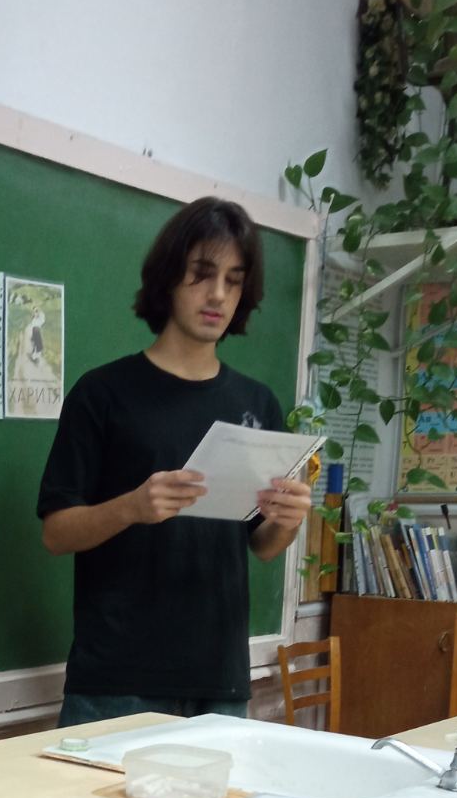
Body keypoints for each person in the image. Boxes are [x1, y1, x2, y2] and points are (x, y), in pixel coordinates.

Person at [37, 196, 311, 726]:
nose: (217, 294)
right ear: (168, 278)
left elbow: (261, 546)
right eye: (202, 274)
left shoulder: (257, 404)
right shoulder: (104, 394)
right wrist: (132, 507)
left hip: (220, 683)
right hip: (115, 684)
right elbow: (55, 533)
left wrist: (287, 520)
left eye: (233, 281)